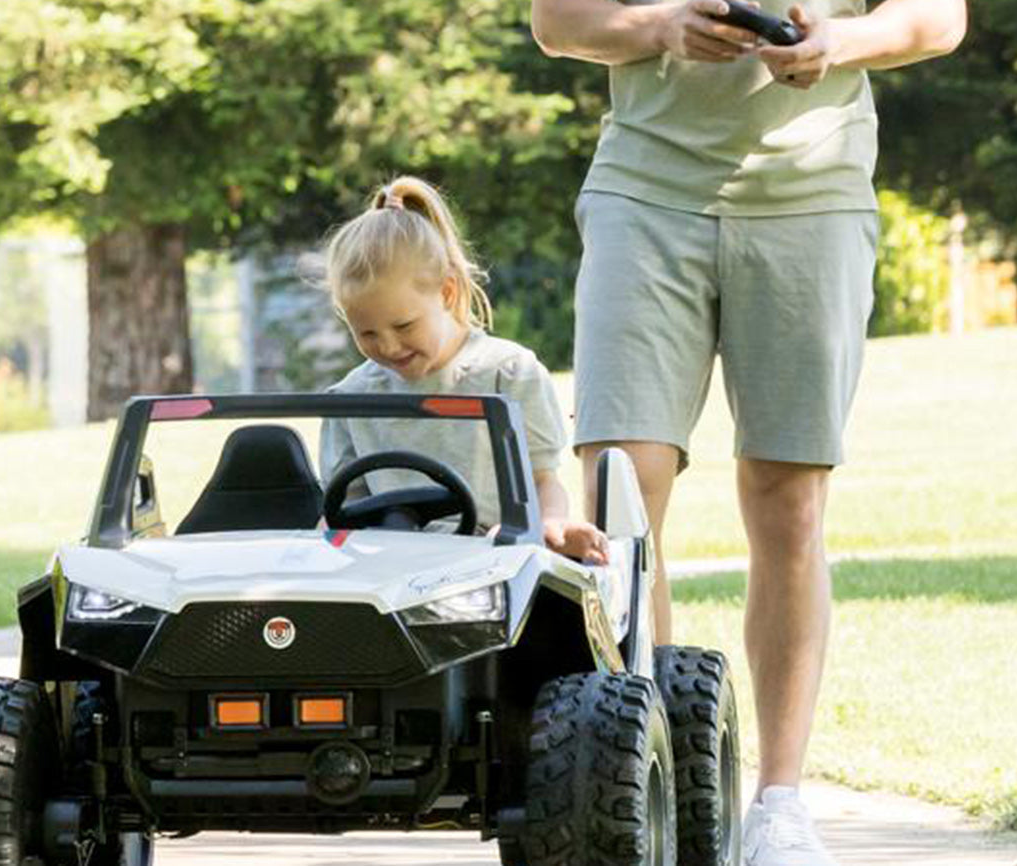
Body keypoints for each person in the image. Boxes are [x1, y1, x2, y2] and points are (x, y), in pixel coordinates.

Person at [528, 0, 966, 863]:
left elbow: (941, 17)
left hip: (813, 200)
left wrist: (841, 42)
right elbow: (558, 20)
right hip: (645, 194)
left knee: (788, 503)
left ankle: (780, 805)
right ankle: (649, 786)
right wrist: (661, 28)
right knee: (621, 495)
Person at [318, 176, 607, 565]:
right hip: (389, 569)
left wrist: (551, 526)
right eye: (366, 333)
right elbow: (340, 514)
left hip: (495, 565)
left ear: (447, 292)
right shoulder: (349, 399)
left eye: (404, 326)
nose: (387, 346)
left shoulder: (508, 373)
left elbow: (543, 480)